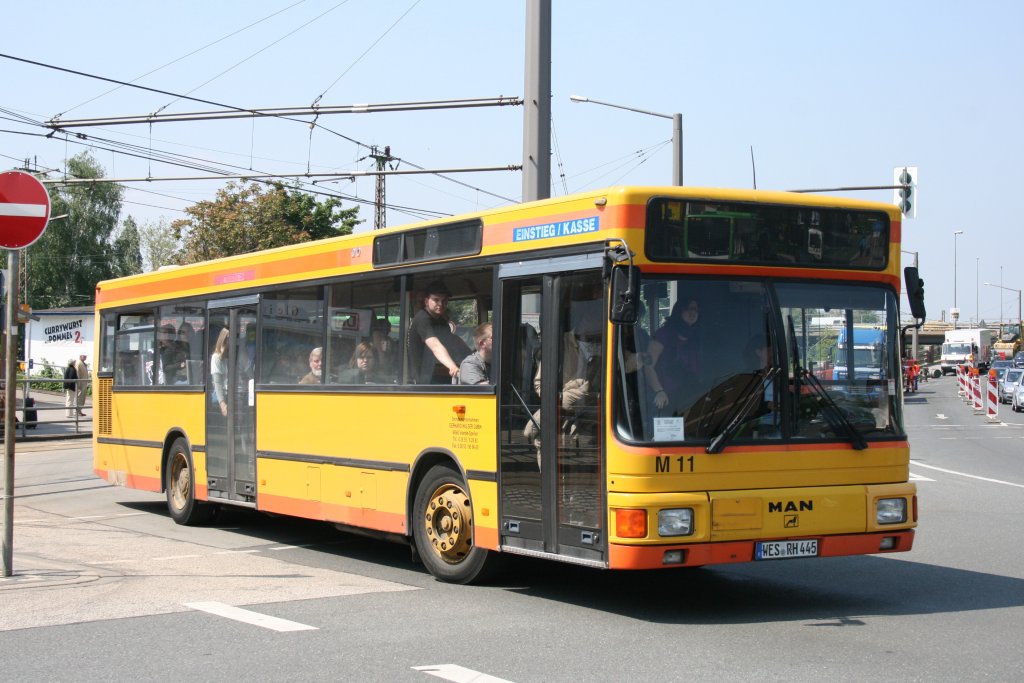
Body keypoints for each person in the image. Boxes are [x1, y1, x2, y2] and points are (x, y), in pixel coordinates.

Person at [645, 297, 703, 415]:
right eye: (688, 308)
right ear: (679, 311)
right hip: (663, 400)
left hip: (687, 399)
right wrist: (659, 391)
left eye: (695, 309)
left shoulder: (696, 337)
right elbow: (647, 366)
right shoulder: (664, 334)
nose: (692, 312)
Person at [408, 281, 471, 383]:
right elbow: (435, 346)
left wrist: (471, 357)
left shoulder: (441, 321)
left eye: (444, 300)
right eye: (436, 300)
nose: (440, 304)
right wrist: (452, 367)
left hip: (437, 373)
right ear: (426, 301)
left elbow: (451, 344)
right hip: (423, 379)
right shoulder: (422, 319)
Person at [210, 328, 230, 416]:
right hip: (220, 398)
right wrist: (222, 404)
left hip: (228, 393)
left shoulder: (228, 357)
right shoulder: (216, 357)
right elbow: (217, 383)